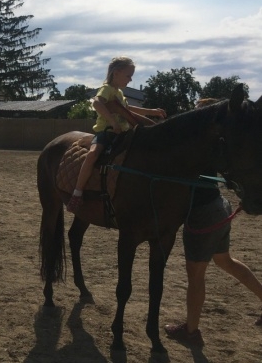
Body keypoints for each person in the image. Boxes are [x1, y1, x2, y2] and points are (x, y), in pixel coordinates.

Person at [164, 98, 262, 348]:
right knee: (225, 261)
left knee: (196, 275)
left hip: (203, 212)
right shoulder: (216, 146)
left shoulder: (199, 147)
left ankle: (191, 331)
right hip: (219, 208)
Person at [66, 56, 166, 213]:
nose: (130, 79)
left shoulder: (119, 93)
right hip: (106, 132)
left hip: (123, 133)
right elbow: (97, 103)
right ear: (116, 73)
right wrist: (113, 122)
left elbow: (128, 110)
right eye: (128, 75)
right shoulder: (107, 89)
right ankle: (77, 193)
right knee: (92, 155)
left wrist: (151, 111)